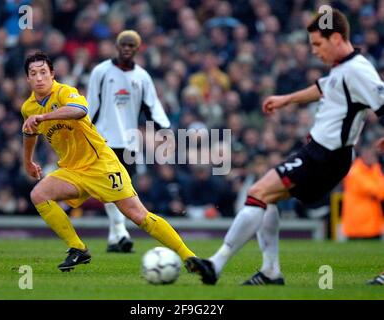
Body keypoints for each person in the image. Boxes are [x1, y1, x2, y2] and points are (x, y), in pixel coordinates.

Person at [185, 9, 384, 286]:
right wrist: (287, 99)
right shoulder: (343, 67)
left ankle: (216, 265)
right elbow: (325, 87)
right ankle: (269, 272)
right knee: (266, 200)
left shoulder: (359, 70)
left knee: (257, 192)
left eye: (318, 44)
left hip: (326, 156)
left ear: (336, 38)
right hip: (320, 153)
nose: (314, 51)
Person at [21, 51, 195, 272]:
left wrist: (45, 117)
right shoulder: (28, 107)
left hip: (100, 164)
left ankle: (189, 257)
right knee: (39, 194)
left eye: (43, 72)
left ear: (52, 74)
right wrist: (28, 160)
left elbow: (79, 111)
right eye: (33, 73)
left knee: (138, 215)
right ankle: (78, 249)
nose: (39, 78)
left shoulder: (65, 92)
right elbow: (29, 132)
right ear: (27, 78)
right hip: (72, 170)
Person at [87, 30, 171, 253]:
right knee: (111, 186)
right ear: (117, 46)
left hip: (130, 142)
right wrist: (84, 130)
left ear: (137, 49)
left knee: (123, 189)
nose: (126, 48)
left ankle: (115, 238)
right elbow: (91, 104)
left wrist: (164, 128)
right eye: (123, 44)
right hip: (104, 138)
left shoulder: (142, 77)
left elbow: (152, 106)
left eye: (131, 45)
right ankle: (122, 231)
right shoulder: (101, 72)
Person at [341, 146, 384, 240]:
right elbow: (378, 191)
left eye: (373, 155)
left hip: (371, 225)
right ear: (363, 155)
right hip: (358, 225)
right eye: (370, 154)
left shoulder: (372, 170)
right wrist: (377, 168)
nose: (373, 157)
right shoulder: (356, 172)